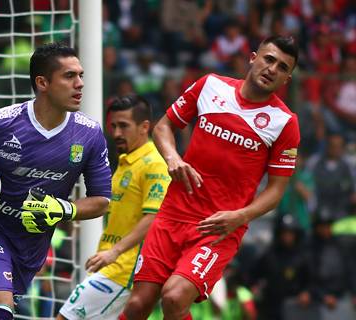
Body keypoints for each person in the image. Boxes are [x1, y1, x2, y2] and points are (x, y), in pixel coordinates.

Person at [119, 35, 301, 320]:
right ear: (253, 57)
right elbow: (164, 127)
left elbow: (276, 191)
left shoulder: (285, 122)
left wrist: (240, 217)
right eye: (269, 59)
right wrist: (173, 159)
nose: (272, 69)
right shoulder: (210, 85)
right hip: (172, 213)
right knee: (136, 306)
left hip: (218, 228)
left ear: (286, 79)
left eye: (282, 67)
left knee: (175, 297)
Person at [0, 42, 112, 320]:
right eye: (69, 76)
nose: (79, 84)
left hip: (32, 244)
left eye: (81, 75)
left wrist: (65, 209)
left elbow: (102, 201)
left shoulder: (89, 135)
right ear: (42, 82)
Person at [57, 95, 171, 319]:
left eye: (124, 126)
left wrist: (115, 252)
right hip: (110, 265)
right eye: (114, 126)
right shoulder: (126, 162)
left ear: (144, 127)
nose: (117, 133)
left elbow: (153, 218)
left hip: (124, 270)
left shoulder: (154, 164)